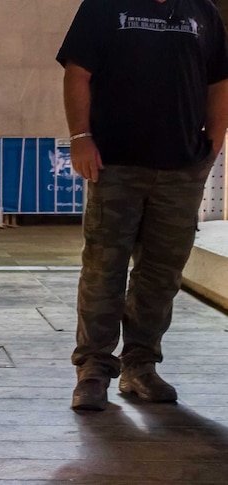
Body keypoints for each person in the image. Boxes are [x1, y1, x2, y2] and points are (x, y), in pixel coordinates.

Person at [57, 0, 228, 411]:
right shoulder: (103, 6)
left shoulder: (202, 12)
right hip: (114, 164)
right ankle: (94, 371)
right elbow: (78, 72)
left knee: (161, 274)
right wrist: (81, 137)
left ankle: (140, 367)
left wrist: (213, 146)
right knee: (104, 269)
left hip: (181, 168)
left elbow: (219, 81)